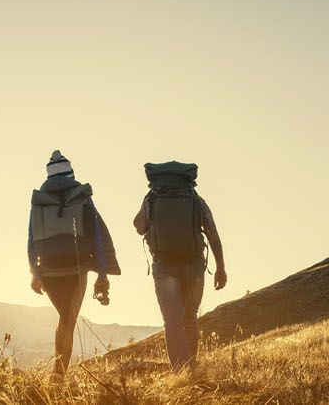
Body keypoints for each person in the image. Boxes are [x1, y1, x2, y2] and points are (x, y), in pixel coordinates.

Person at [26, 150, 119, 379]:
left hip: (48, 271)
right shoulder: (82, 197)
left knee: (65, 319)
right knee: (67, 319)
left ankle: (58, 374)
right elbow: (96, 234)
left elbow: (31, 238)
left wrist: (34, 272)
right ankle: (58, 377)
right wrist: (103, 272)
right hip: (76, 269)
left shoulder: (39, 201)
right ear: (71, 174)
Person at [132, 161, 224, 372]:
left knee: (172, 321)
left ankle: (179, 371)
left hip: (164, 267)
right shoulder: (195, 199)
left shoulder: (152, 198)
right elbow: (213, 235)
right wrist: (220, 268)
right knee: (190, 317)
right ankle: (191, 367)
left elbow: (139, 227)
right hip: (193, 265)